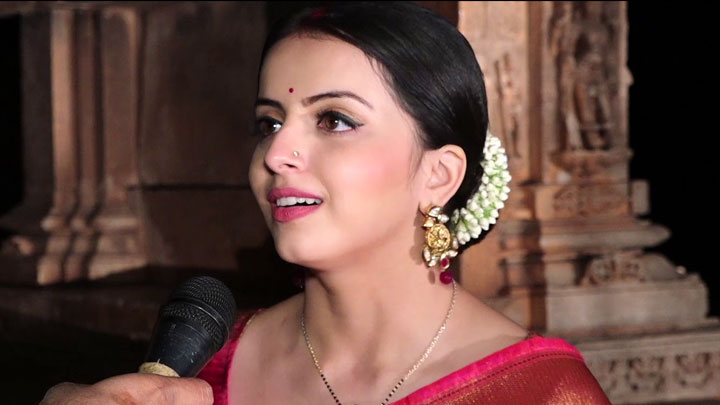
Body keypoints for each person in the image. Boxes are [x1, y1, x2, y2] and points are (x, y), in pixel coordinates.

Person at [42, 2, 610, 404]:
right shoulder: (203, 372)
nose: (275, 153)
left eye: (334, 120)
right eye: (269, 122)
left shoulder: (538, 393)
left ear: (439, 176)